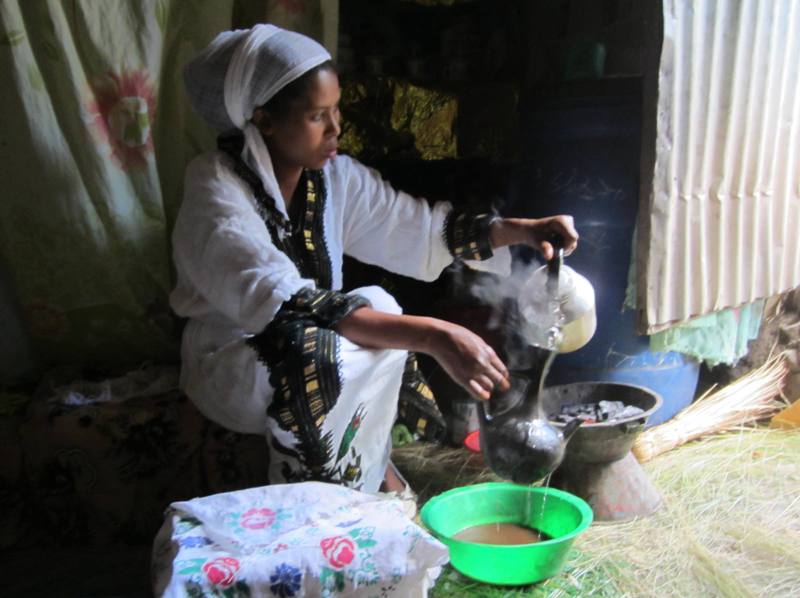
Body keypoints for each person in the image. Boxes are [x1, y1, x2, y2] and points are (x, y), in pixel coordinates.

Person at [171, 24, 578, 495]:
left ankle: (365, 476)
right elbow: (282, 302)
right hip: (234, 359)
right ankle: (320, 501)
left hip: (315, 338)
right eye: (317, 115)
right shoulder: (215, 189)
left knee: (379, 309)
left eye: (337, 109)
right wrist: (437, 336)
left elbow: (417, 228)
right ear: (264, 120)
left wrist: (519, 232)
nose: (336, 128)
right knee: (327, 349)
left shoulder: (332, 178)